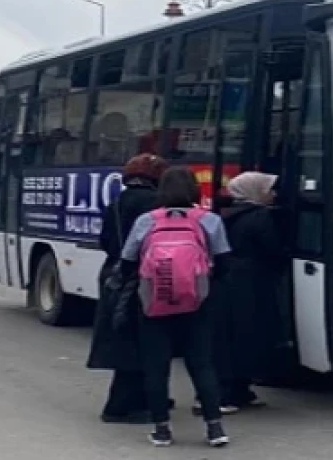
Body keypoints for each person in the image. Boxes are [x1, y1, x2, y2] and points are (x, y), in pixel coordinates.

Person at [115, 167, 233, 448]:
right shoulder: (210, 220)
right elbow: (225, 263)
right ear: (194, 189)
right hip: (197, 304)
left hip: (154, 303)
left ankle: (162, 430)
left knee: (156, 367)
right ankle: (214, 427)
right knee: (202, 364)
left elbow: (128, 262)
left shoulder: (147, 221)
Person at [86, 153, 167, 424]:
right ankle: (121, 406)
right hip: (142, 276)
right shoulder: (157, 204)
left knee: (123, 338)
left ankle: (142, 397)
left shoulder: (117, 203)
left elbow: (106, 241)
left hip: (115, 274)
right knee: (142, 340)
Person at [210, 171, 286, 414]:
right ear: (255, 191)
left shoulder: (224, 214)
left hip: (226, 281)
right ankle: (231, 393)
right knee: (247, 334)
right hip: (251, 283)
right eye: (269, 189)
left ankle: (235, 390)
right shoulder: (260, 217)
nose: (273, 194)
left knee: (228, 336)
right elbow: (271, 249)